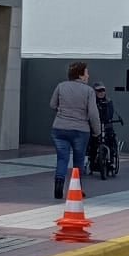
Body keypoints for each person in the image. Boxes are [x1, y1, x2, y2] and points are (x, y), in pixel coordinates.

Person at [49, 61, 100, 201]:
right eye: (86, 73)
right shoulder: (89, 91)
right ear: (81, 75)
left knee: (62, 158)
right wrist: (97, 131)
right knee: (78, 160)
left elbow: (52, 104)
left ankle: (59, 183)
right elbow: (93, 114)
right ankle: (77, 188)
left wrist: (63, 112)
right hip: (80, 130)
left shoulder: (61, 86)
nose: (88, 75)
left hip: (60, 128)